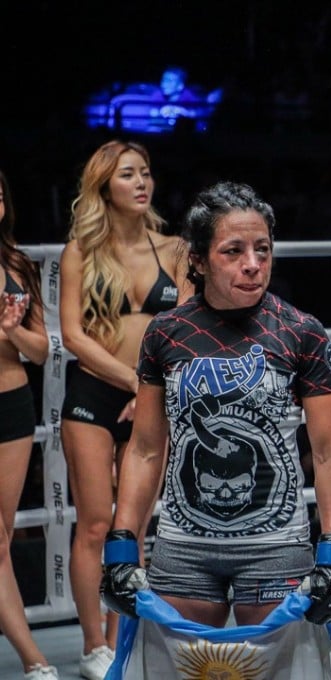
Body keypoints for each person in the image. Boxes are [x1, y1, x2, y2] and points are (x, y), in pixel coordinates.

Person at [99, 181, 331, 641]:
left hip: (276, 544)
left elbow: (329, 451)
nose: (253, 265)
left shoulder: (302, 332)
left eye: (262, 249)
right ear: (198, 260)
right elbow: (143, 449)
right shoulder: (166, 333)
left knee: (278, 673)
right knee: (185, 671)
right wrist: (122, 545)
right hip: (184, 545)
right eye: (233, 251)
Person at [58, 139, 192, 680]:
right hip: (95, 391)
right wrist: (132, 382)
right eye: (127, 175)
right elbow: (72, 334)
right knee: (93, 524)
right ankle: (93, 644)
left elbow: (181, 326)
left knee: (130, 526)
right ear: (104, 188)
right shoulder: (80, 253)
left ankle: (120, 638)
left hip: (151, 397)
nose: (141, 183)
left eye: (146, 173)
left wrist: (148, 390)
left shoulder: (176, 249)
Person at [0, 169, 58, 678]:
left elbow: (41, 350)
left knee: (1, 539)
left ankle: (32, 659)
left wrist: (13, 332)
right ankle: (33, 657)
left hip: (14, 404)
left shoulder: (15, 262)